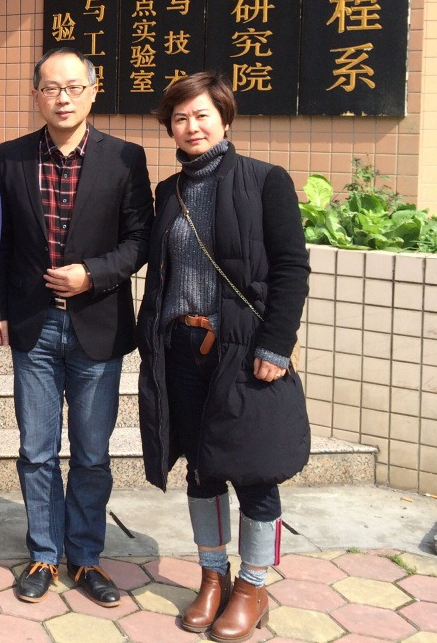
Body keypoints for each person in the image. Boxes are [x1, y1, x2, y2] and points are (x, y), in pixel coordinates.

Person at [137, 71, 310, 640]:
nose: (192, 126)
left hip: (243, 349)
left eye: (202, 115)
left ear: (225, 119)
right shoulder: (170, 191)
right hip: (180, 348)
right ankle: (212, 576)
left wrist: (276, 344)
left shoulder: (265, 181)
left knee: (254, 472)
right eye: (180, 118)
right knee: (201, 468)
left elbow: (291, 269)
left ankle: (254, 586)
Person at [0, 47, 152, 607]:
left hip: (97, 325)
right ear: (36, 95)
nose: (62, 98)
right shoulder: (10, 157)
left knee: (91, 453)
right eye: (51, 88)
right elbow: (0, 241)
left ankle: (84, 556)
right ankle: (43, 552)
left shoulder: (126, 158)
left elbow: (140, 240)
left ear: (92, 90)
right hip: (33, 327)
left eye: (73, 87)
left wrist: (92, 275)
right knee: (36, 450)